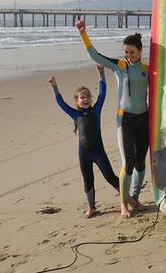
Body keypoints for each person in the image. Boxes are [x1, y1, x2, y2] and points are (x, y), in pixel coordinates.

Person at [76, 21, 149, 218]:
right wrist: (84, 33)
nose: (128, 55)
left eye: (132, 52)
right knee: (128, 162)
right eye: (126, 52)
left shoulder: (147, 69)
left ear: (140, 51)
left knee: (141, 162)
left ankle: (135, 197)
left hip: (143, 119)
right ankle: (124, 203)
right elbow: (95, 55)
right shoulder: (119, 66)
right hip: (124, 120)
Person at [47, 65, 119, 218]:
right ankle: (91, 208)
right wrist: (54, 86)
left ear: (91, 99)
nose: (85, 99)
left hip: (98, 152)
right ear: (77, 101)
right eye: (82, 97)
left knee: (109, 176)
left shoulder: (96, 110)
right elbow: (61, 103)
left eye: (87, 97)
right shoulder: (74, 114)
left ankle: (129, 199)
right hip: (84, 154)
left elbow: (103, 92)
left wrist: (101, 73)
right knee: (88, 180)